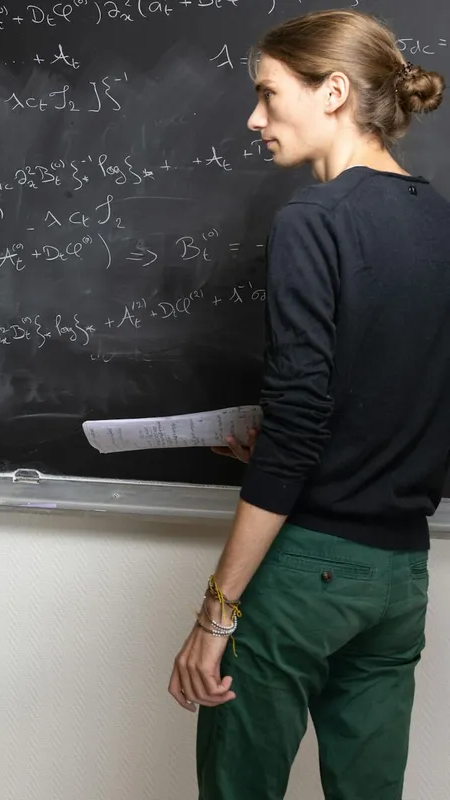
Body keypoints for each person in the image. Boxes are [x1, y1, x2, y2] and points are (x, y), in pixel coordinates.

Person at [167, 9, 449, 800]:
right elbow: (405, 398)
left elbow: (298, 423)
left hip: (306, 570)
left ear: (333, 92)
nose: (254, 118)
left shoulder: (314, 221)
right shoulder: (442, 223)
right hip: (400, 578)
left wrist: (217, 613)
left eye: (268, 93)